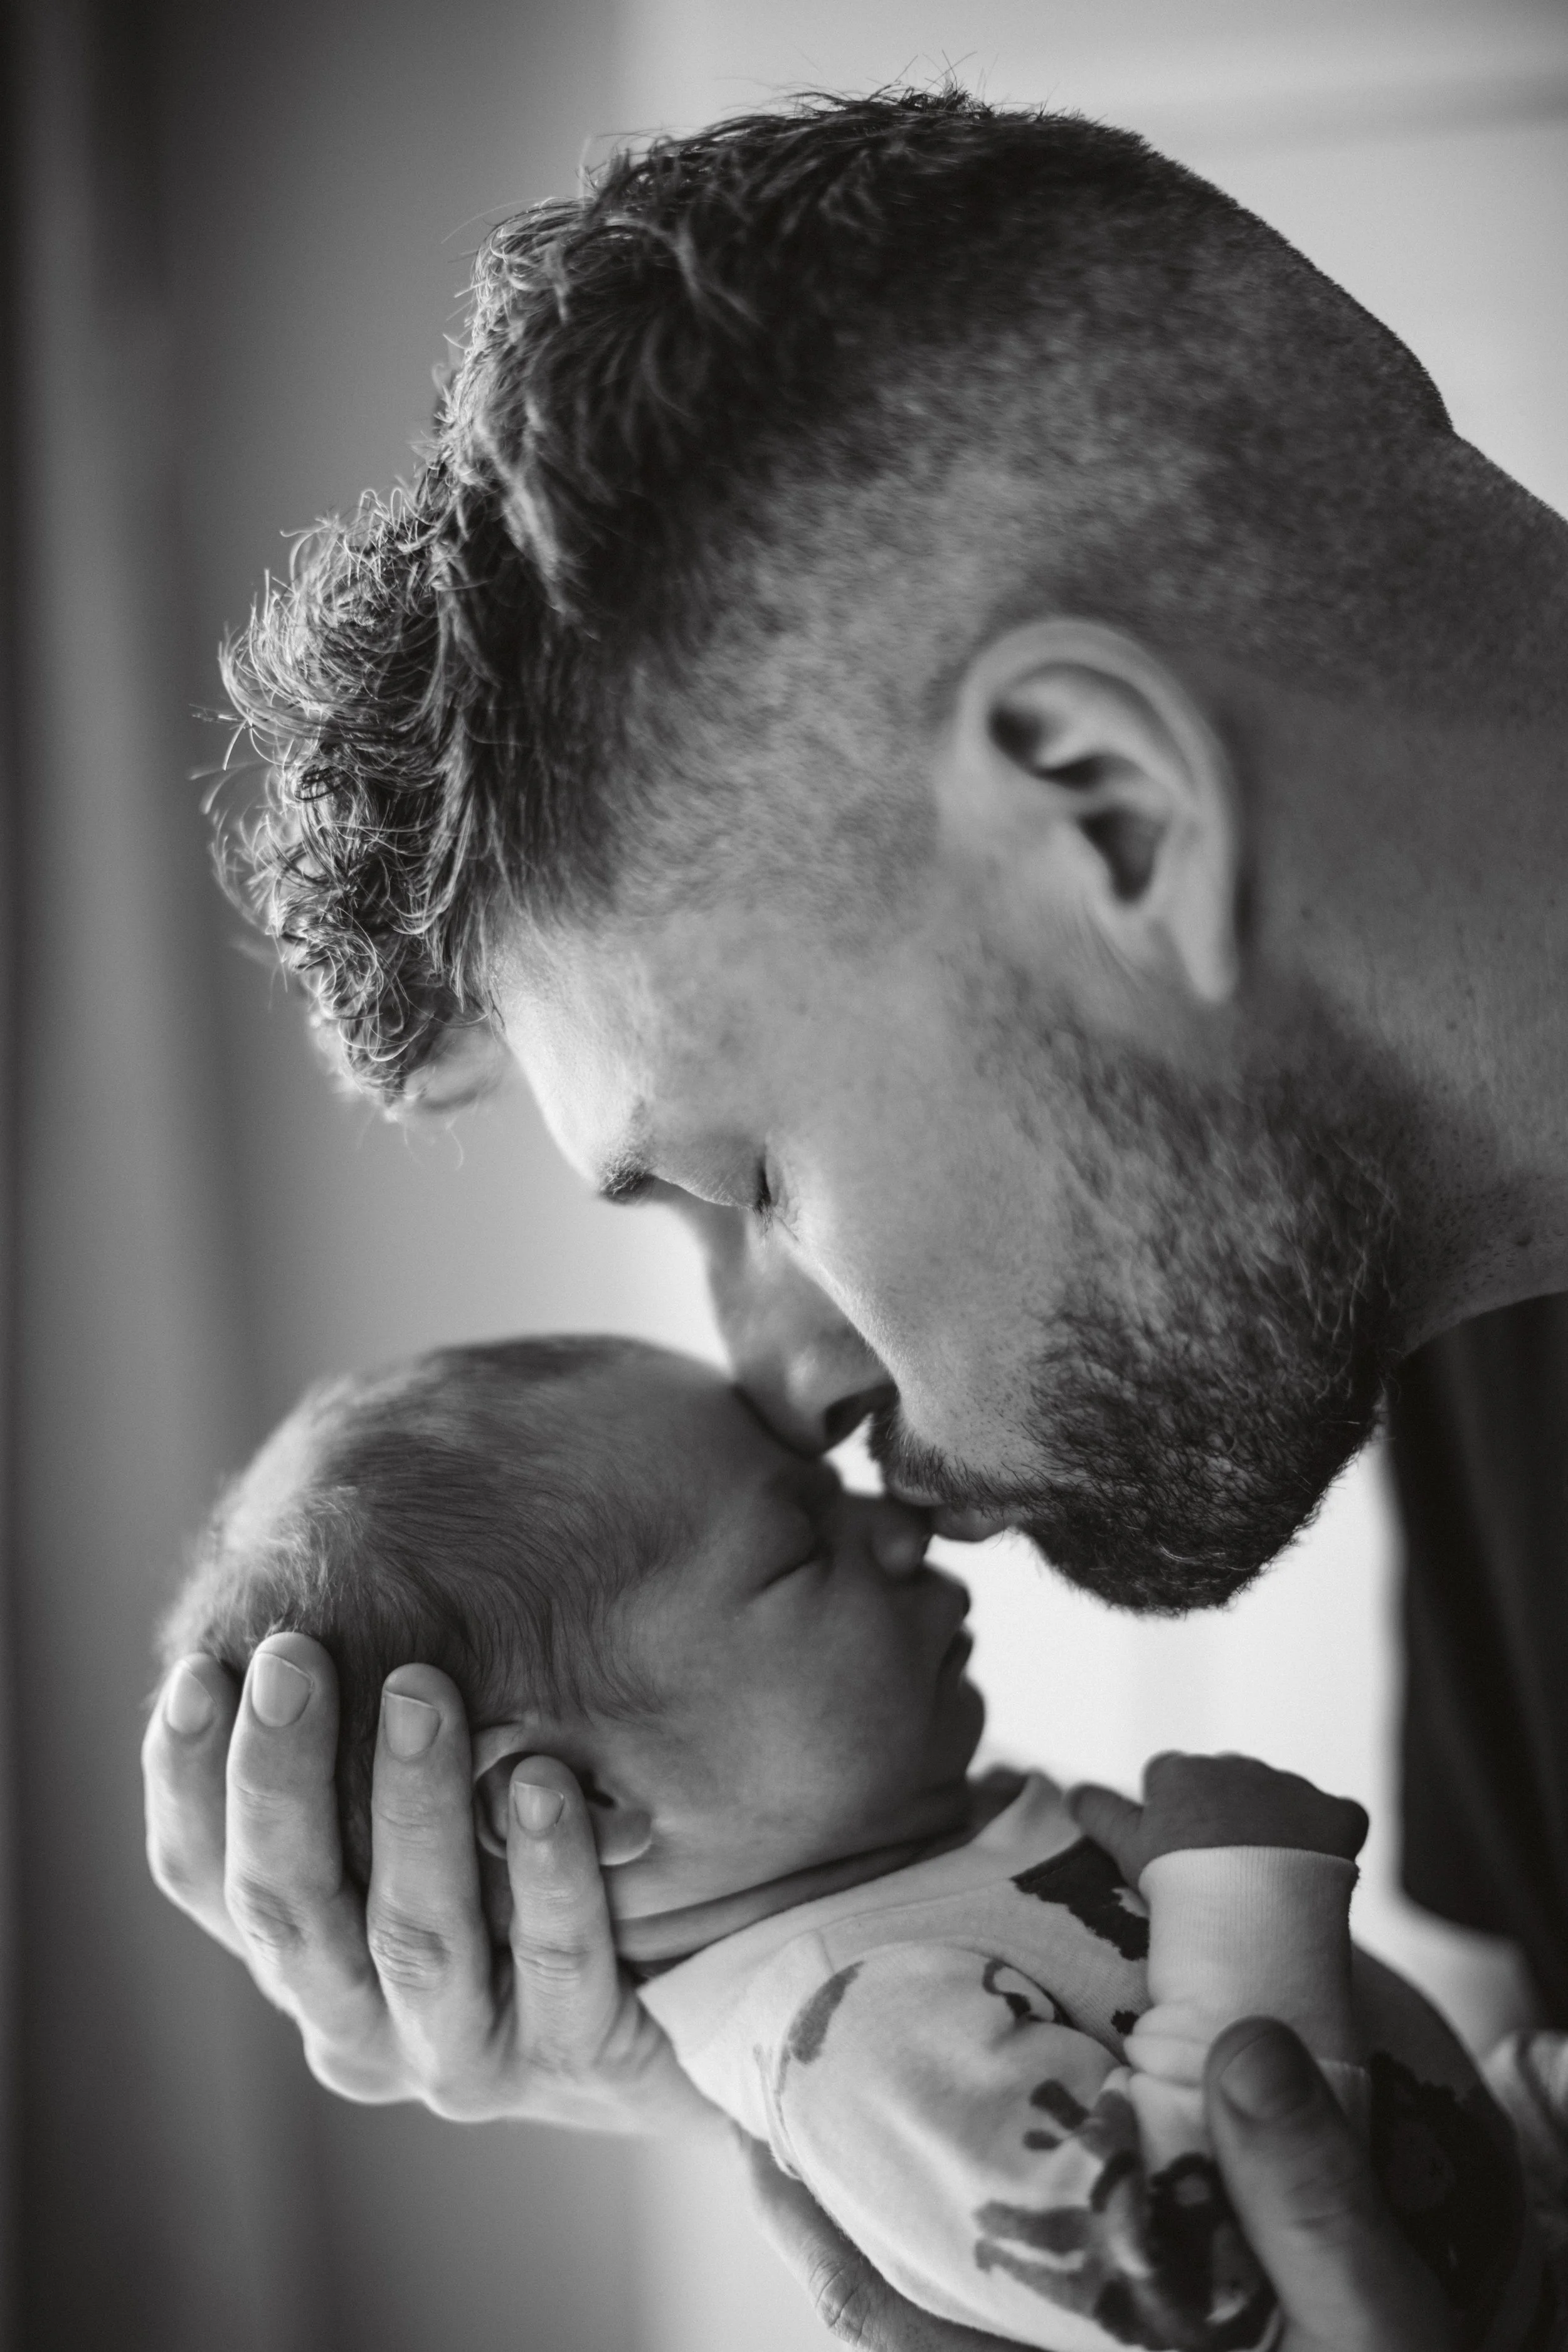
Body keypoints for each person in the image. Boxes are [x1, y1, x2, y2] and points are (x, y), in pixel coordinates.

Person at [142, 88, 1568, 2341]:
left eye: (748, 1178)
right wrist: (726, 2025)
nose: (788, 1381)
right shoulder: (1476, 1313)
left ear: (1108, 820)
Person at [161, 1332, 1547, 2349]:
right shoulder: (860, 2033)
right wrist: (1246, 1913)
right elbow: (1194, 2292)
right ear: (577, 1806)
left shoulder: (918, 1882)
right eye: (799, 1547)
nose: (897, 1524)